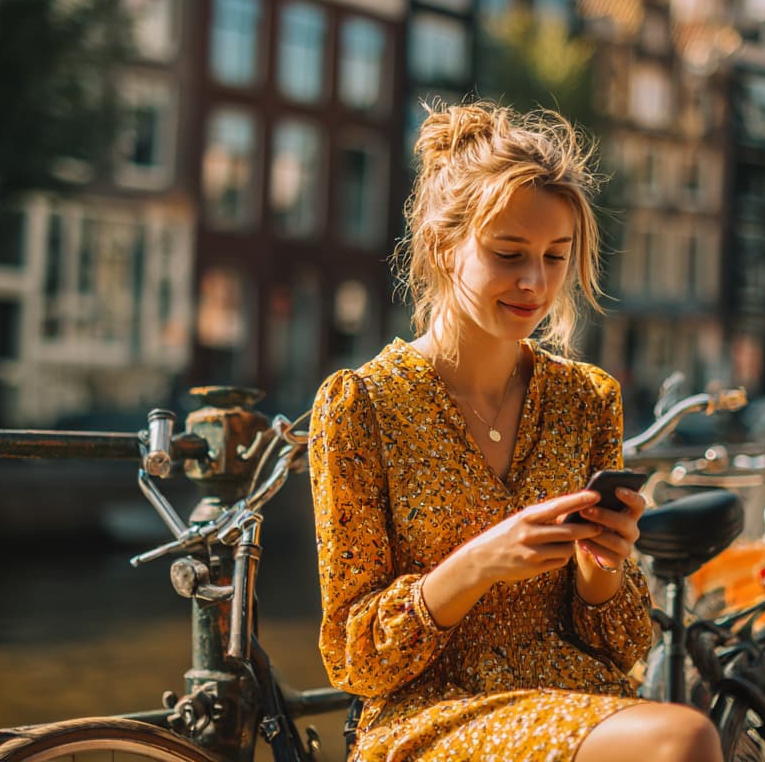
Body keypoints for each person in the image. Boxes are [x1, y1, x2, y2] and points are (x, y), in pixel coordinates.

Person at [308, 101, 721, 762]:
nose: (535, 282)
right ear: (443, 247)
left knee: (684, 731)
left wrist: (603, 566)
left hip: (576, 697)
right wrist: (480, 561)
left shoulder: (587, 399)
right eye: (509, 254)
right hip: (433, 715)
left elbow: (623, 645)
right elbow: (356, 657)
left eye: (556, 257)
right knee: (687, 738)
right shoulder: (362, 405)